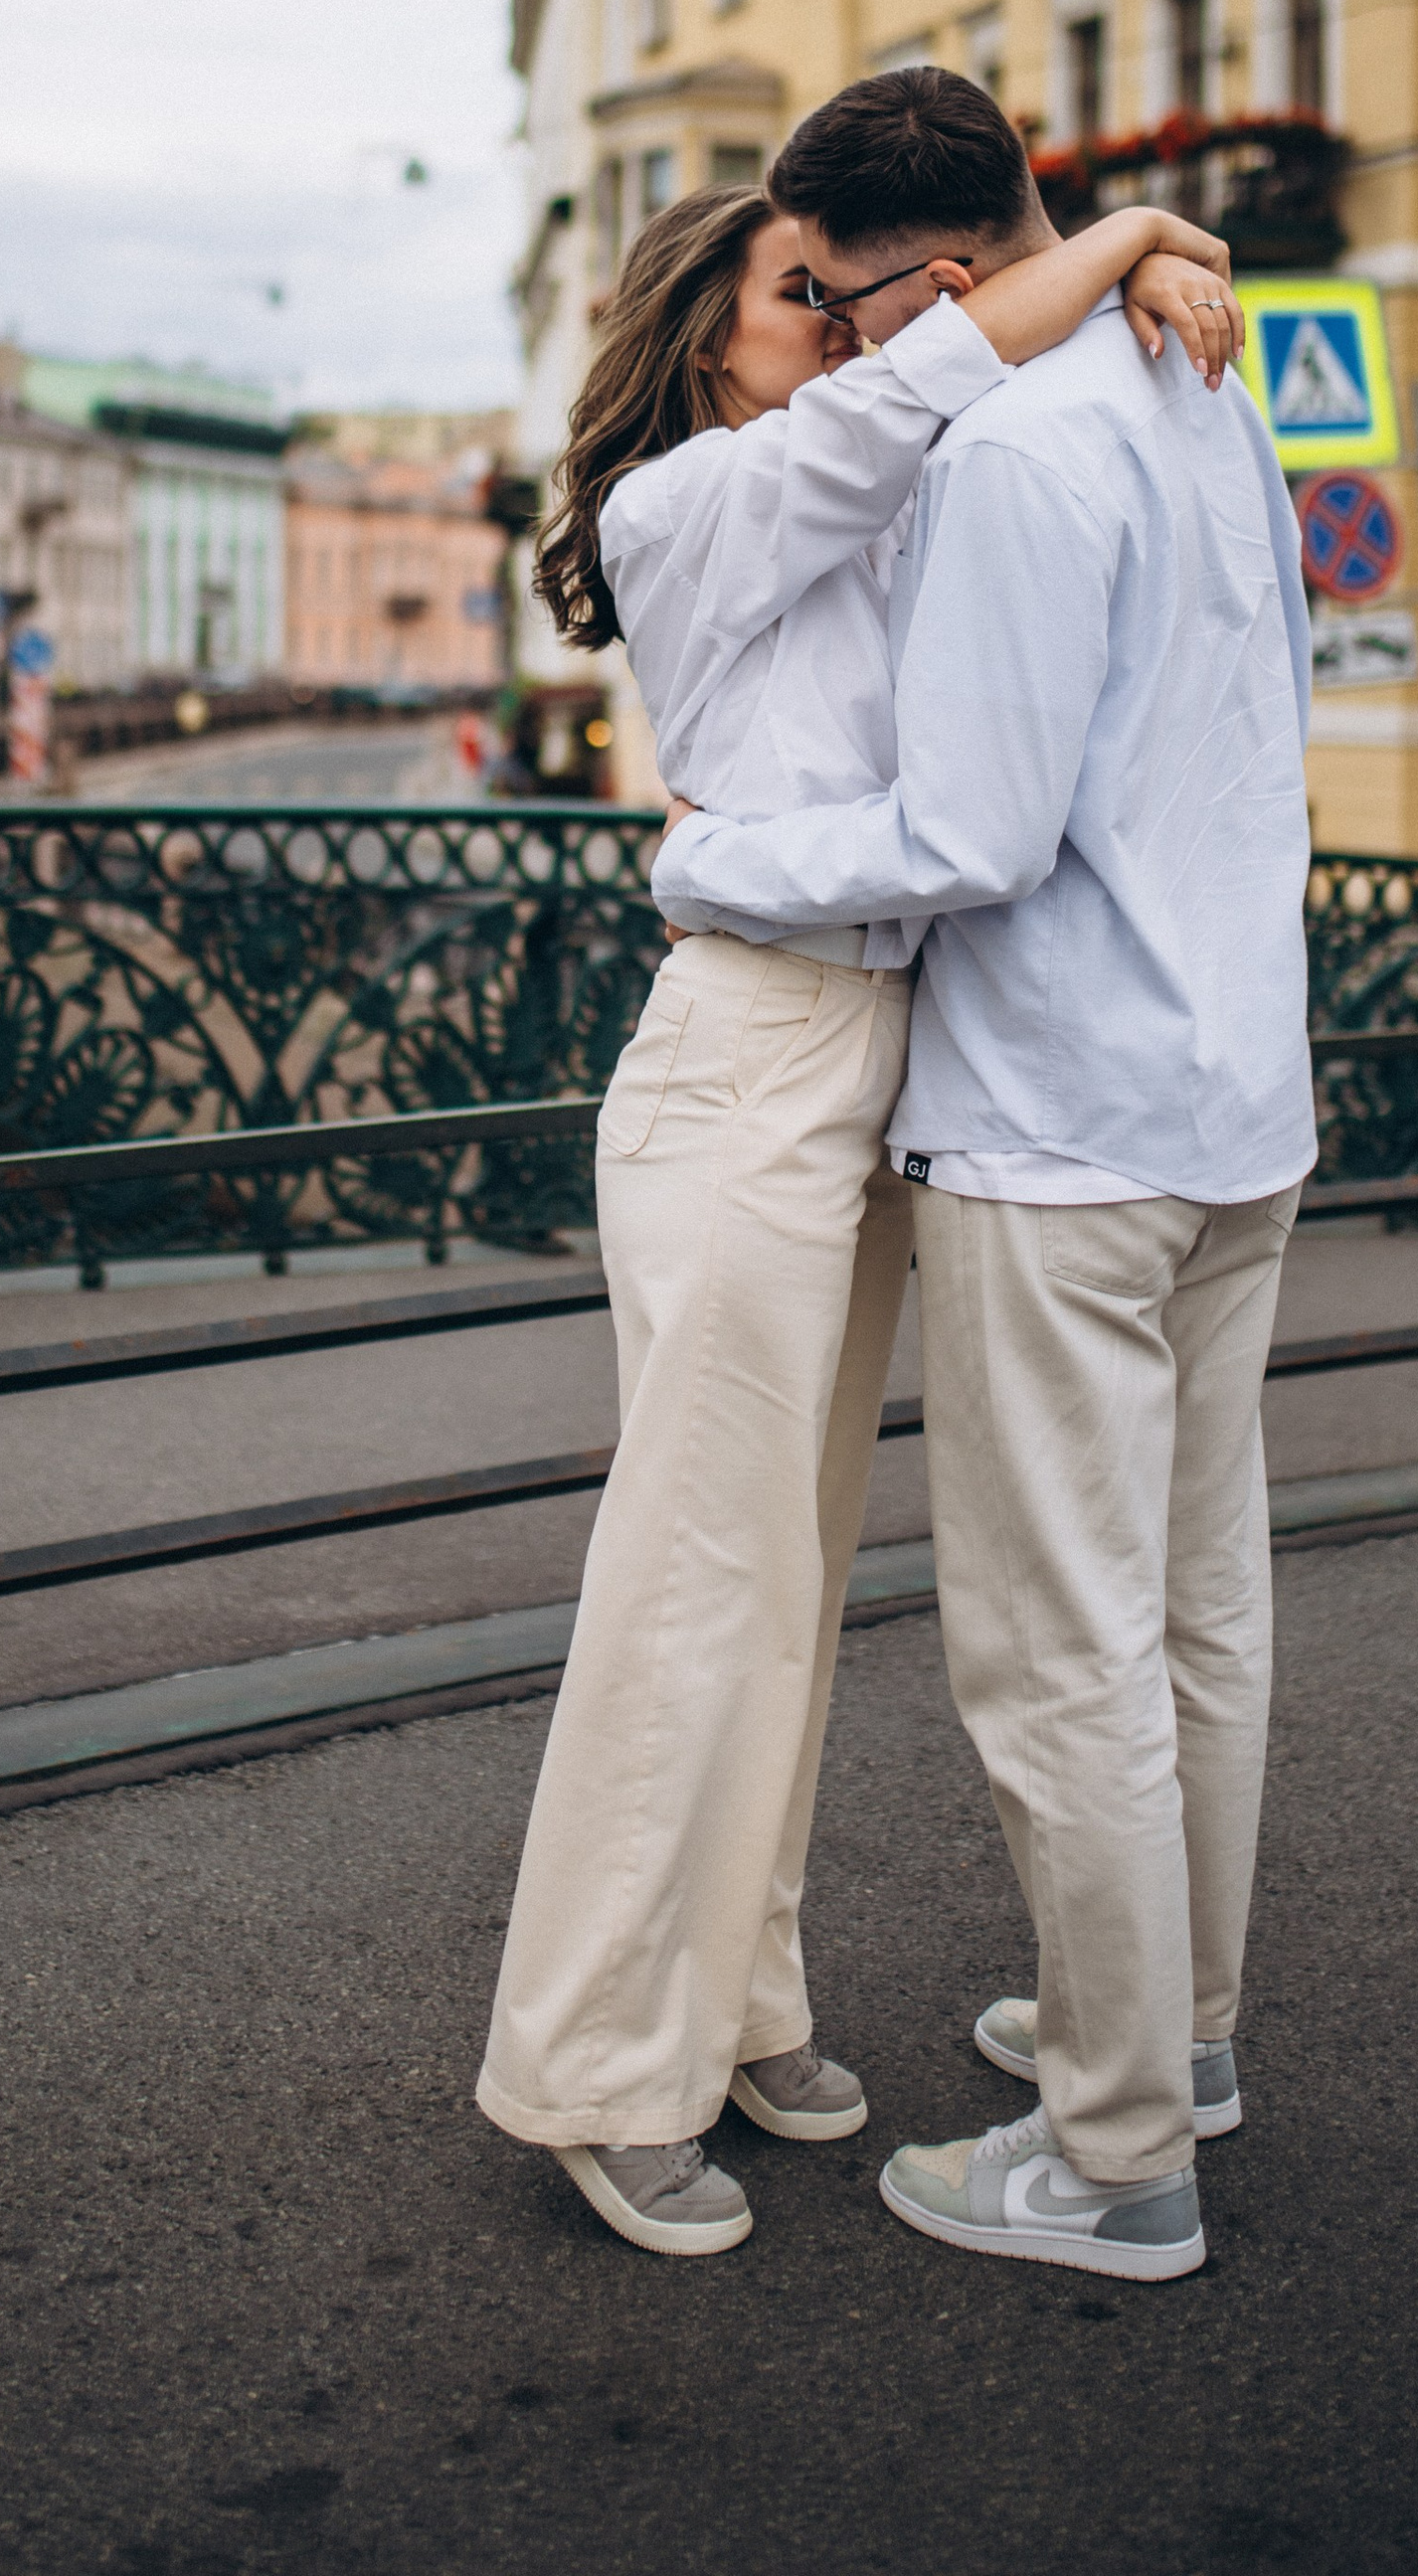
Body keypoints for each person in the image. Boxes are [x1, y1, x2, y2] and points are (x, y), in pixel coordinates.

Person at [475, 163, 1246, 2257]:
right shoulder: (685, 505)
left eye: (836, 287)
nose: (832, 314)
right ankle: (595, 2070)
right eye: (791, 289)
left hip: (879, 1063)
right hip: (743, 1058)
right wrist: (1130, 237)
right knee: (693, 1577)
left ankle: (737, 2000)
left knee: (791, 1577)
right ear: (694, 325)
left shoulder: (874, 486)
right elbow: (921, 382)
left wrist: (1124, 292)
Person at [653, 67, 1316, 2288]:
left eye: (838, 310)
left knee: (1058, 1663)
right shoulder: (1200, 382)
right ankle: (1178, 2034)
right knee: (1200, 1613)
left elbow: (965, 839)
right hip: (1238, 1099)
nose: (840, 353)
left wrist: (710, 856)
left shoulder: (1011, 453)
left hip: (1059, 1130)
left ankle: (1113, 2152)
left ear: (931, 277)